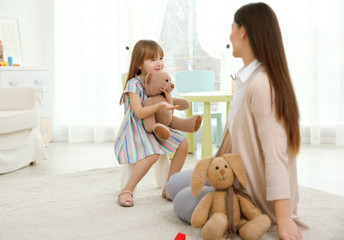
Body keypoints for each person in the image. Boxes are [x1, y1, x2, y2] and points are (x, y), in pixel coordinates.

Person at [166, 2, 308, 240]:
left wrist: (283, 218)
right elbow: (234, 134)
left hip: (250, 193)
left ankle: (243, 213)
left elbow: (276, 155)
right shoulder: (246, 78)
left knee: (181, 202)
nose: (229, 35)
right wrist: (211, 167)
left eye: (232, 28)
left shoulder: (262, 84)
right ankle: (213, 188)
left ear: (243, 31)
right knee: (172, 185)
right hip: (231, 169)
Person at [115, 40, 189, 207]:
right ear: (140, 63)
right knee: (153, 153)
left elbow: (168, 110)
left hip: (156, 126)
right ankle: (127, 190)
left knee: (183, 143)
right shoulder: (133, 83)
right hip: (136, 128)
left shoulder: (159, 80)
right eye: (153, 59)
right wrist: (160, 105)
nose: (159, 63)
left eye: (161, 58)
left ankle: (170, 185)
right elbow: (139, 112)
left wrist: (167, 98)